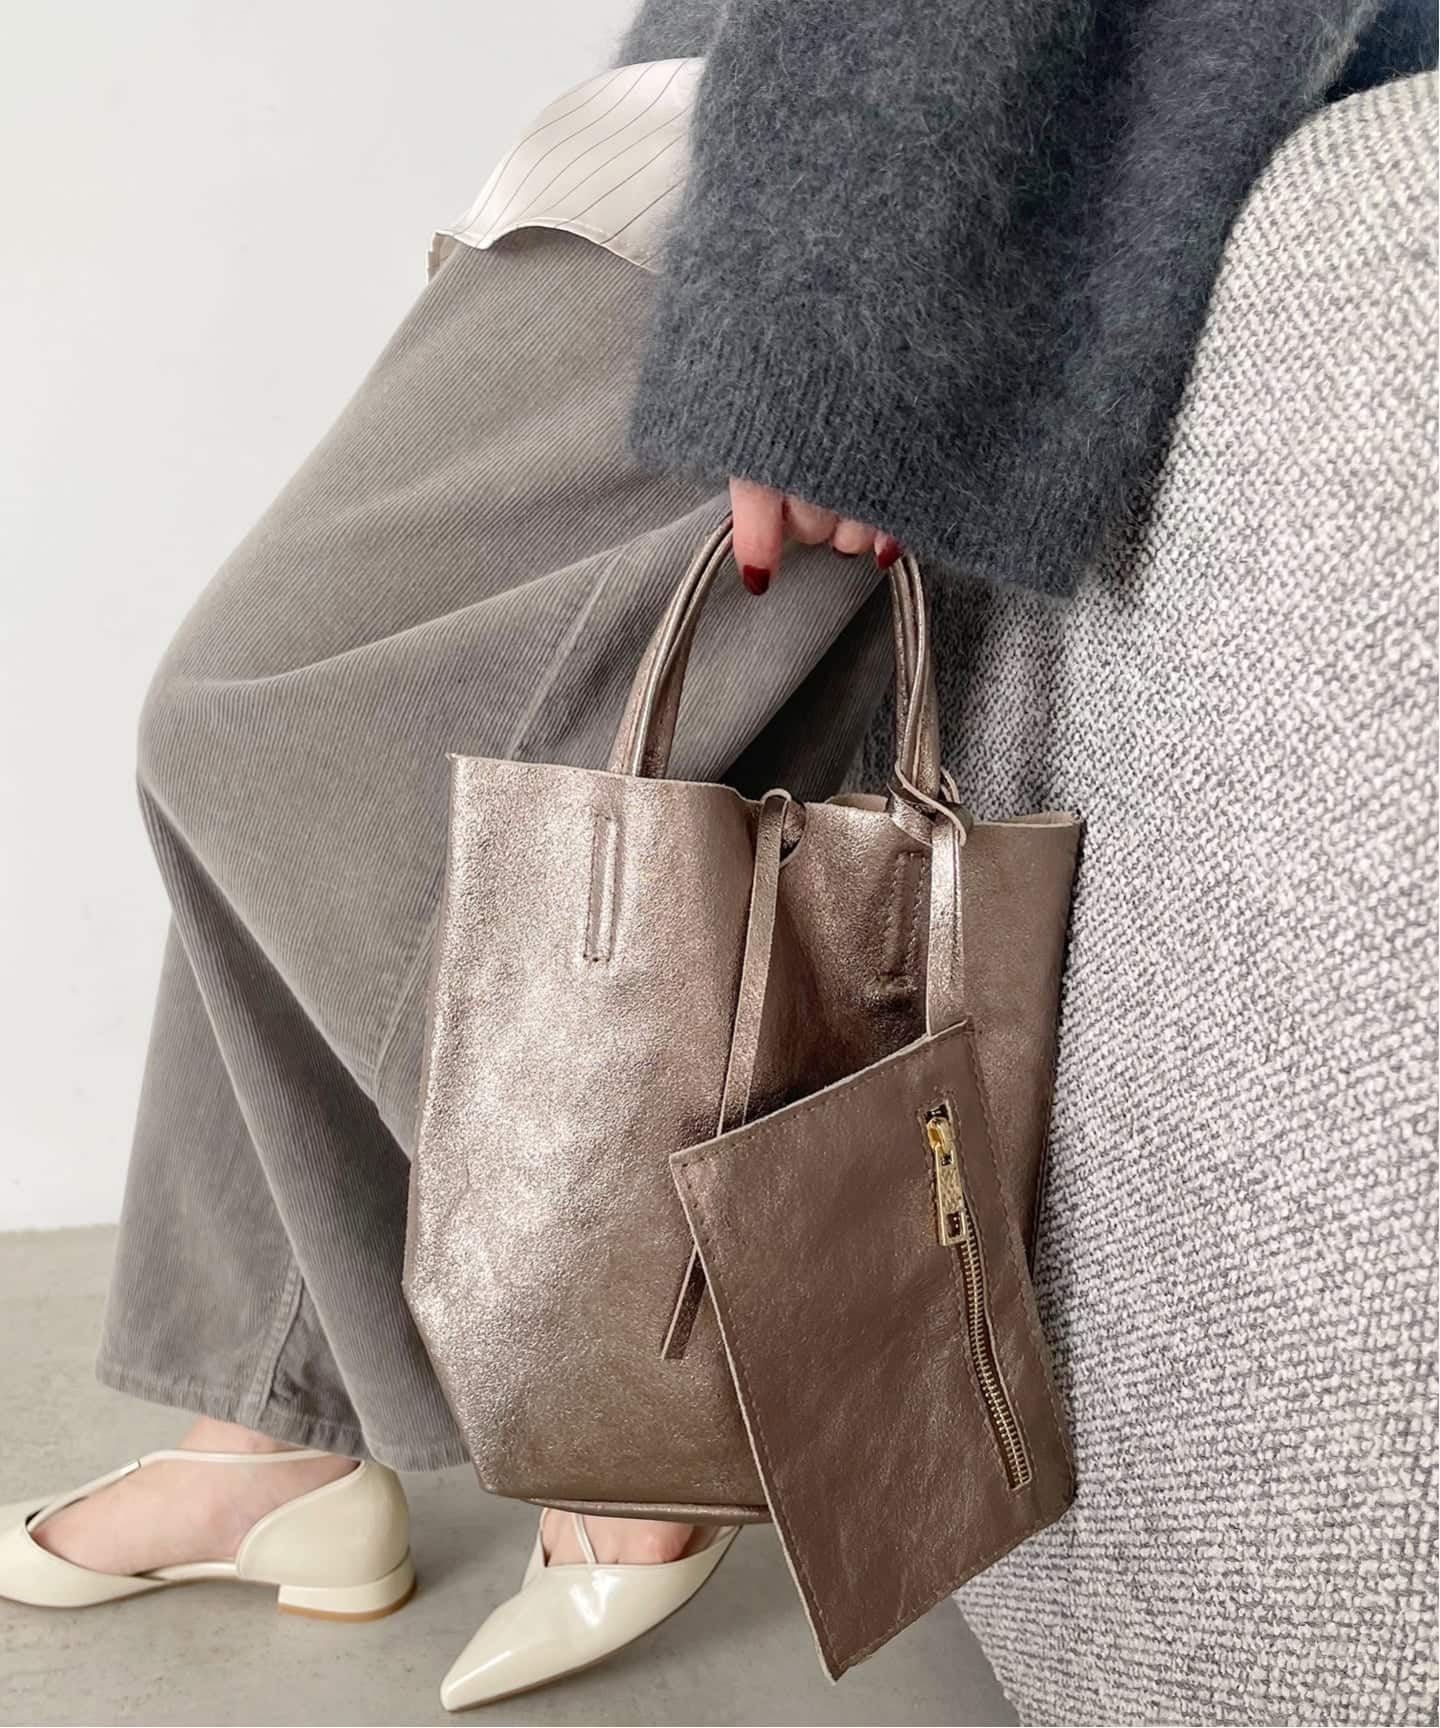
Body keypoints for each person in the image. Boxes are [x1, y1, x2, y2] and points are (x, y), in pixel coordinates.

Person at [1, 0, 1429, 1711]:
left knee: (247, 717)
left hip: (883, 159)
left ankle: (649, 1399)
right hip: (719, 127)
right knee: (373, 708)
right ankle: (270, 1435)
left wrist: (841, 310)